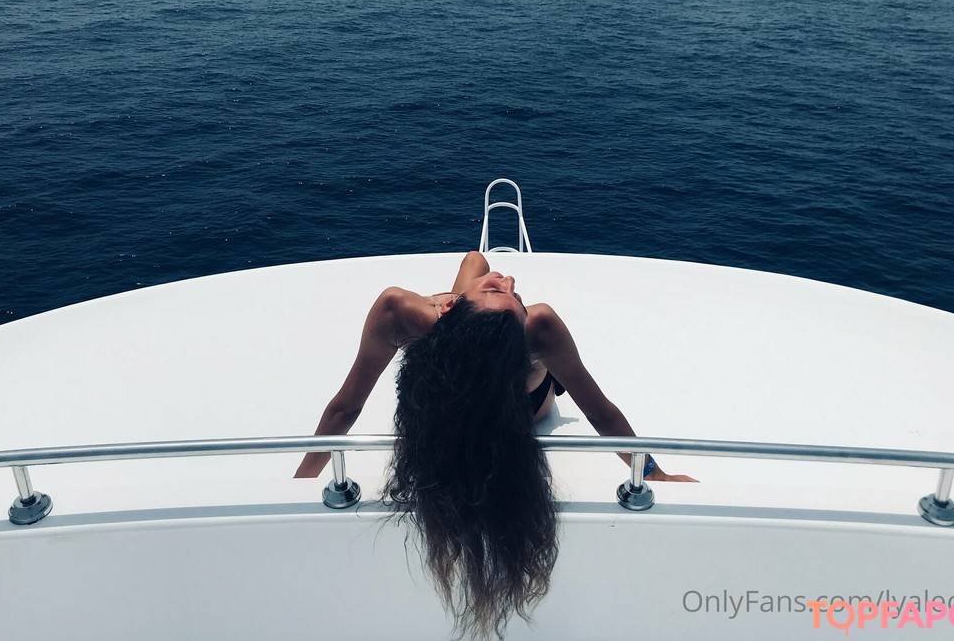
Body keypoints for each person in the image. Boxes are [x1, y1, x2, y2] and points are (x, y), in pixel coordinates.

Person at [295, 250, 695, 639]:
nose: (509, 279)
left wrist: (654, 472)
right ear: (448, 307)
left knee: (475, 262)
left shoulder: (527, 326)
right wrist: (297, 483)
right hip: (464, 382)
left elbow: (600, 412)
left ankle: (527, 362)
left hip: (520, 408)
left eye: (507, 293)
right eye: (500, 290)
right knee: (475, 263)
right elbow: (345, 407)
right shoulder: (410, 312)